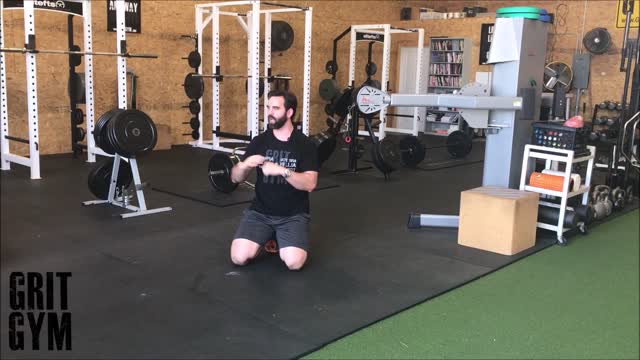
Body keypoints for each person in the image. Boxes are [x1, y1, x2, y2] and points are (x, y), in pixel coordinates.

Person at [229, 90, 318, 271]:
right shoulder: (259, 142)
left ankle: (278, 237)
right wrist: (244, 165)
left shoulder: (304, 144)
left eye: (276, 108)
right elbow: (235, 178)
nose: (270, 112)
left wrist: (282, 171)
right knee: (238, 258)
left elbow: (310, 184)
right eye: (268, 107)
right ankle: (267, 236)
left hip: (293, 215)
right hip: (260, 213)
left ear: (289, 112)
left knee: (294, 263)